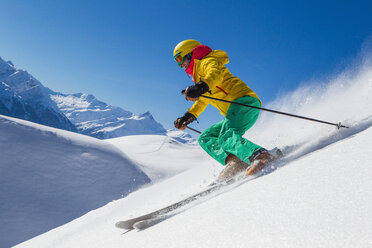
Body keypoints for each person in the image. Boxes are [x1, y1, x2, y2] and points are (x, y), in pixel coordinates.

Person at [173, 39, 276, 180]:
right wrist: (188, 116)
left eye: (180, 58)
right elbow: (202, 101)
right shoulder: (199, 75)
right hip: (234, 111)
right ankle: (236, 162)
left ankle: (261, 155)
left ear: (191, 53)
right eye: (177, 61)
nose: (180, 64)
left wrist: (201, 87)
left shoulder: (207, 62)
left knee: (226, 136)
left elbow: (215, 75)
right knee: (206, 137)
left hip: (244, 102)